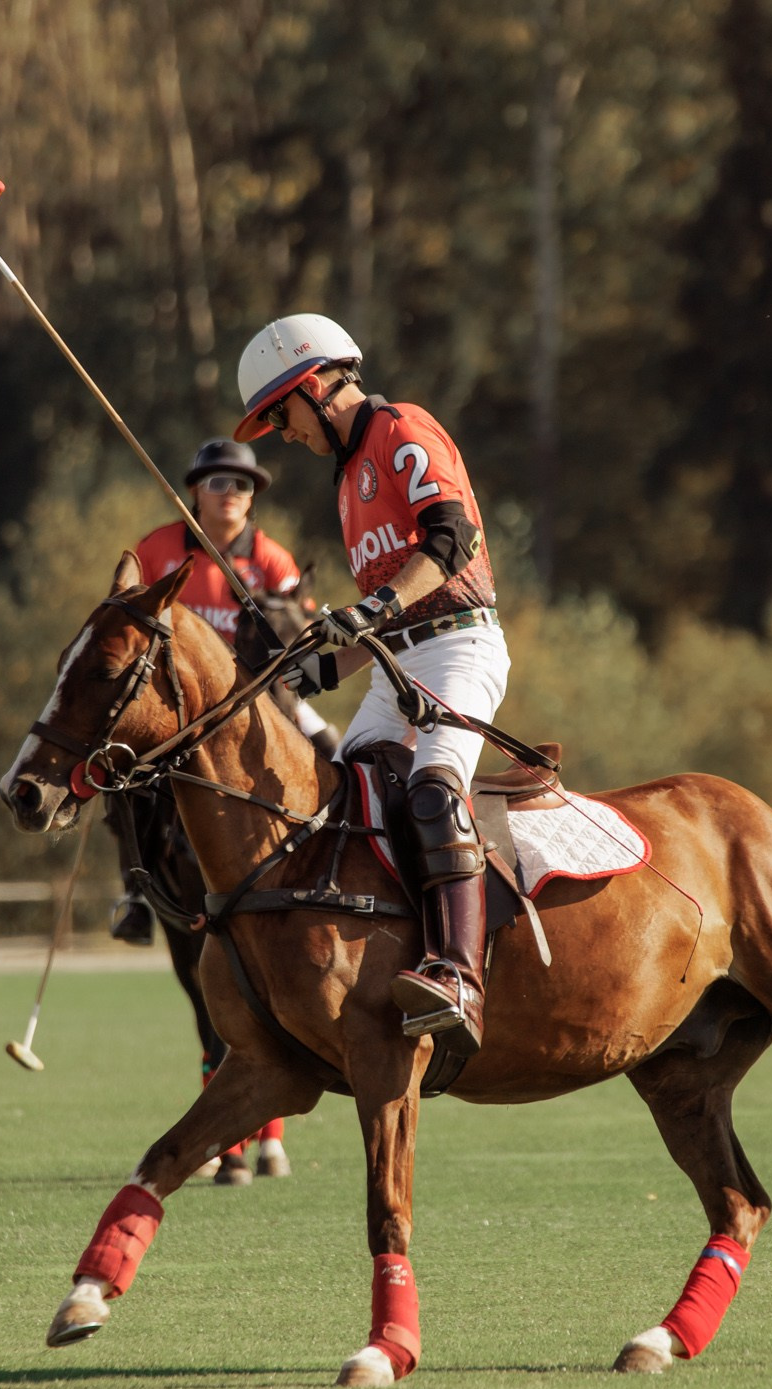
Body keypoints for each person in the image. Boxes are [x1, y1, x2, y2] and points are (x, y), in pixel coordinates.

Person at [232, 313, 507, 1057]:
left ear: (315, 385)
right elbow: (375, 626)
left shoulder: (400, 429)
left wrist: (374, 607)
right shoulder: (348, 481)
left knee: (432, 788)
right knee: (340, 797)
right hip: (398, 662)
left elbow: (453, 539)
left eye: (280, 414)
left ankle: (458, 975)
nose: (283, 434)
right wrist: (317, 669)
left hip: (460, 647)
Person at [112, 437, 336, 946]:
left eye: (242, 484)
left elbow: (296, 639)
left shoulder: (275, 561)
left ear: (252, 497)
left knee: (335, 755)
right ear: (195, 492)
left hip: (258, 698)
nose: (231, 492)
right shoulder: (157, 551)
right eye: (218, 482)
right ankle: (133, 892)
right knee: (121, 775)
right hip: (173, 706)